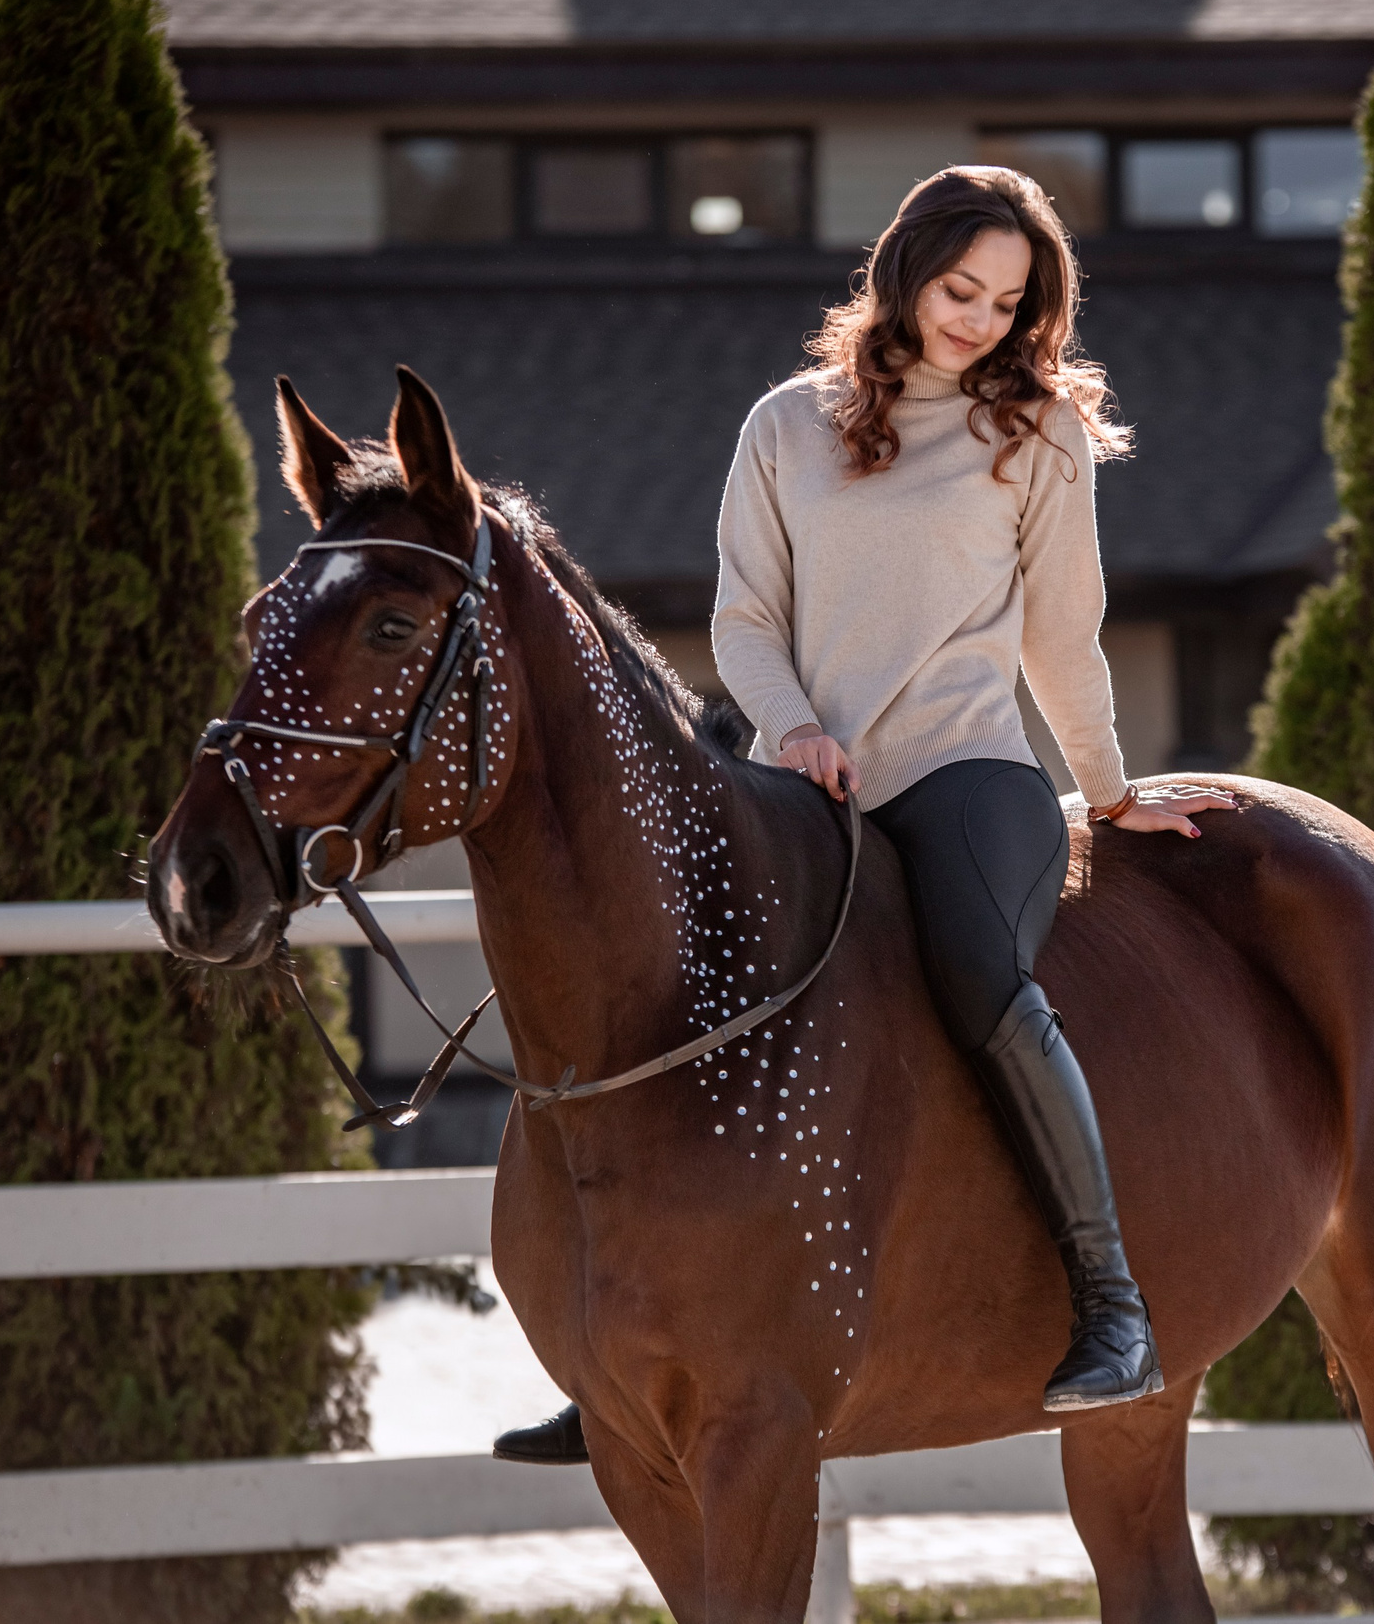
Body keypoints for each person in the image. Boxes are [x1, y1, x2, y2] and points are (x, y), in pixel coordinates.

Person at [493, 166, 1236, 1467]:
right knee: (666, 989)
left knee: (970, 971)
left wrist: (1109, 790)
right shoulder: (788, 425)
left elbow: (1064, 637)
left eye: (1010, 303)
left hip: (967, 780)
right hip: (802, 783)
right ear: (904, 269)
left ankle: (1110, 1300)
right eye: (963, 289)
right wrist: (792, 727)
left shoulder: (1038, 432)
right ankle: (617, 1344)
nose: (981, 321)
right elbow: (744, 619)